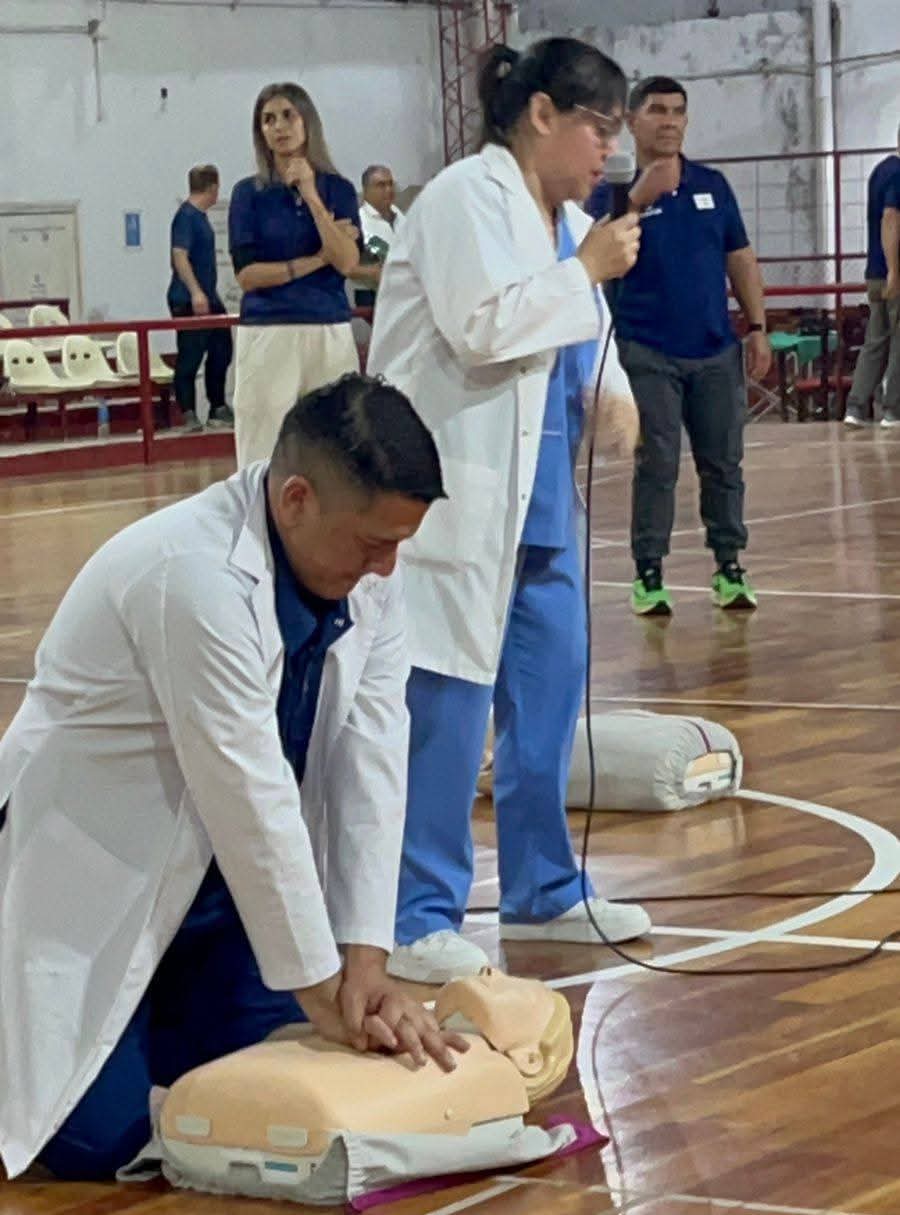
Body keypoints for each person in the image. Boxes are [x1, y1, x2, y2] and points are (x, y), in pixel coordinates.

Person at [0, 374, 466, 1182]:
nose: (388, 567)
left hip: (221, 898)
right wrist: (326, 995)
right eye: (372, 543)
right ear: (296, 500)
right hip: (92, 877)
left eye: (399, 544)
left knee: (257, 1084)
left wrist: (365, 962)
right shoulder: (190, 574)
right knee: (93, 1140)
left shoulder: (368, 580)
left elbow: (373, 765)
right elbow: (250, 795)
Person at [368, 37, 653, 986]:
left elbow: (586, 332)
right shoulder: (464, 198)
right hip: (459, 493)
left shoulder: (568, 225)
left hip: (543, 503)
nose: (609, 151)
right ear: (541, 115)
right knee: (446, 709)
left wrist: (614, 392)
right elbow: (484, 325)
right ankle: (416, 913)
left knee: (548, 694)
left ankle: (544, 886)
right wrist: (587, 272)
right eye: (600, 128)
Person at [587, 76, 771, 617]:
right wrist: (637, 200)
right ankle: (649, 573)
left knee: (724, 463)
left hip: (715, 350)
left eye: (678, 111)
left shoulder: (712, 185)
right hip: (646, 350)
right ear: (632, 121)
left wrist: (757, 325)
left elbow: (740, 257)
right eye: (658, 110)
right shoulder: (611, 192)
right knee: (658, 464)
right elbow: (591, 254)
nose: (669, 121)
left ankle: (729, 567)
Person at [228, 83, 361, 468]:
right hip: (269, 330)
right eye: (268, 120)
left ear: (307, 122)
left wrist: (312, 194)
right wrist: (318, 259)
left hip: (329, 329)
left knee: (336, 450)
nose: (279, 127)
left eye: (288, 115)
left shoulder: (338, 189)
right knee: (262, 450)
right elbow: (248, 276)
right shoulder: (248, 194)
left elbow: (347, 262)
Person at [166, 163, 234, 432]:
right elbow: (179, 255)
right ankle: (188, 413)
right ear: (214, 187)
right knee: (190, 355)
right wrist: (195, 292)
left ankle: (218, 407)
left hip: (209, 298)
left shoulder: (201, 217)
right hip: (188, 299)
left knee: (222, 349)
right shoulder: (185, 217)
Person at [844, 128, 900, 428]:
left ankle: (856, 406)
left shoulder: (880, 171)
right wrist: (895, 270)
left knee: (875, 341)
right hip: (893, 273)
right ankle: (894, 409)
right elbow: (890, 217)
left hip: (875, 271)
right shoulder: (899, 174)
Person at [353, 164, 405, 308]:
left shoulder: (399, 215)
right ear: (366, 191)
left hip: (403, 289)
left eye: (390, 184)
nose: (388, 190)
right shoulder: (359, 221)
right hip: (373, 293)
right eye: (381, 185)